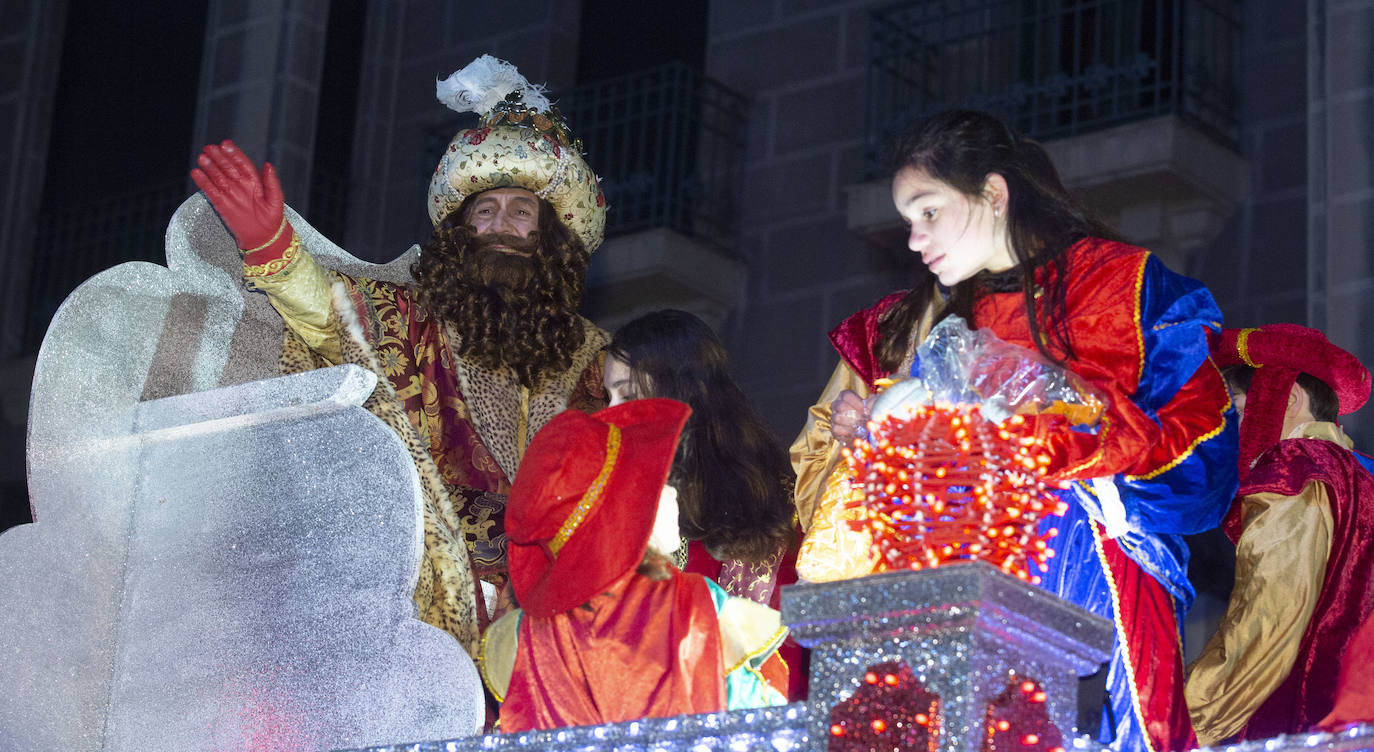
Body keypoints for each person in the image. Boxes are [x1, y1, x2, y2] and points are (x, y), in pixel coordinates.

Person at [790, 109, 1237, 752]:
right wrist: (889, 434)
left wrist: (1043, 438)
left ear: (993, 194)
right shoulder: (953, 328)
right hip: (967, 603)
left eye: (929, 212)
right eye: (908, 222)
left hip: (1091, 584)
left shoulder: (1124, 285)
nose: (915, 240)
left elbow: (1202, 447)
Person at [190, 56, 610, 650]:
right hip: (424, 602)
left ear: (551, 239)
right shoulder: (414, 319)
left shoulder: (592, 354)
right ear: (461, 234)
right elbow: (341, 323)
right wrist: (274, 249)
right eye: (484, 211)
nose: (499, 225)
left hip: (560, 621)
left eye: (521, 212)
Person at [480, 399, 789, 732]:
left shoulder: (519, 636)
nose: (674, 494)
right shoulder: (697, 605)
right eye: (659, 483)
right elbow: (763, 719)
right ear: (628, 511)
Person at [1186, 324, 1374, 744]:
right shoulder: (1364, 473)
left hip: (1296, 722)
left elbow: (1268, 615)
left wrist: (1190, 716)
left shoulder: (1293, 467)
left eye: (1234, 410)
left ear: (1286, 399)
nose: (1226, 432)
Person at [605, 309, 807, 700]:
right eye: (606, 396)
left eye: (627, 394)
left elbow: (788, 653)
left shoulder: (779, 507)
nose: (609, 414)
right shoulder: (614, 507)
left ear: (682, 396)